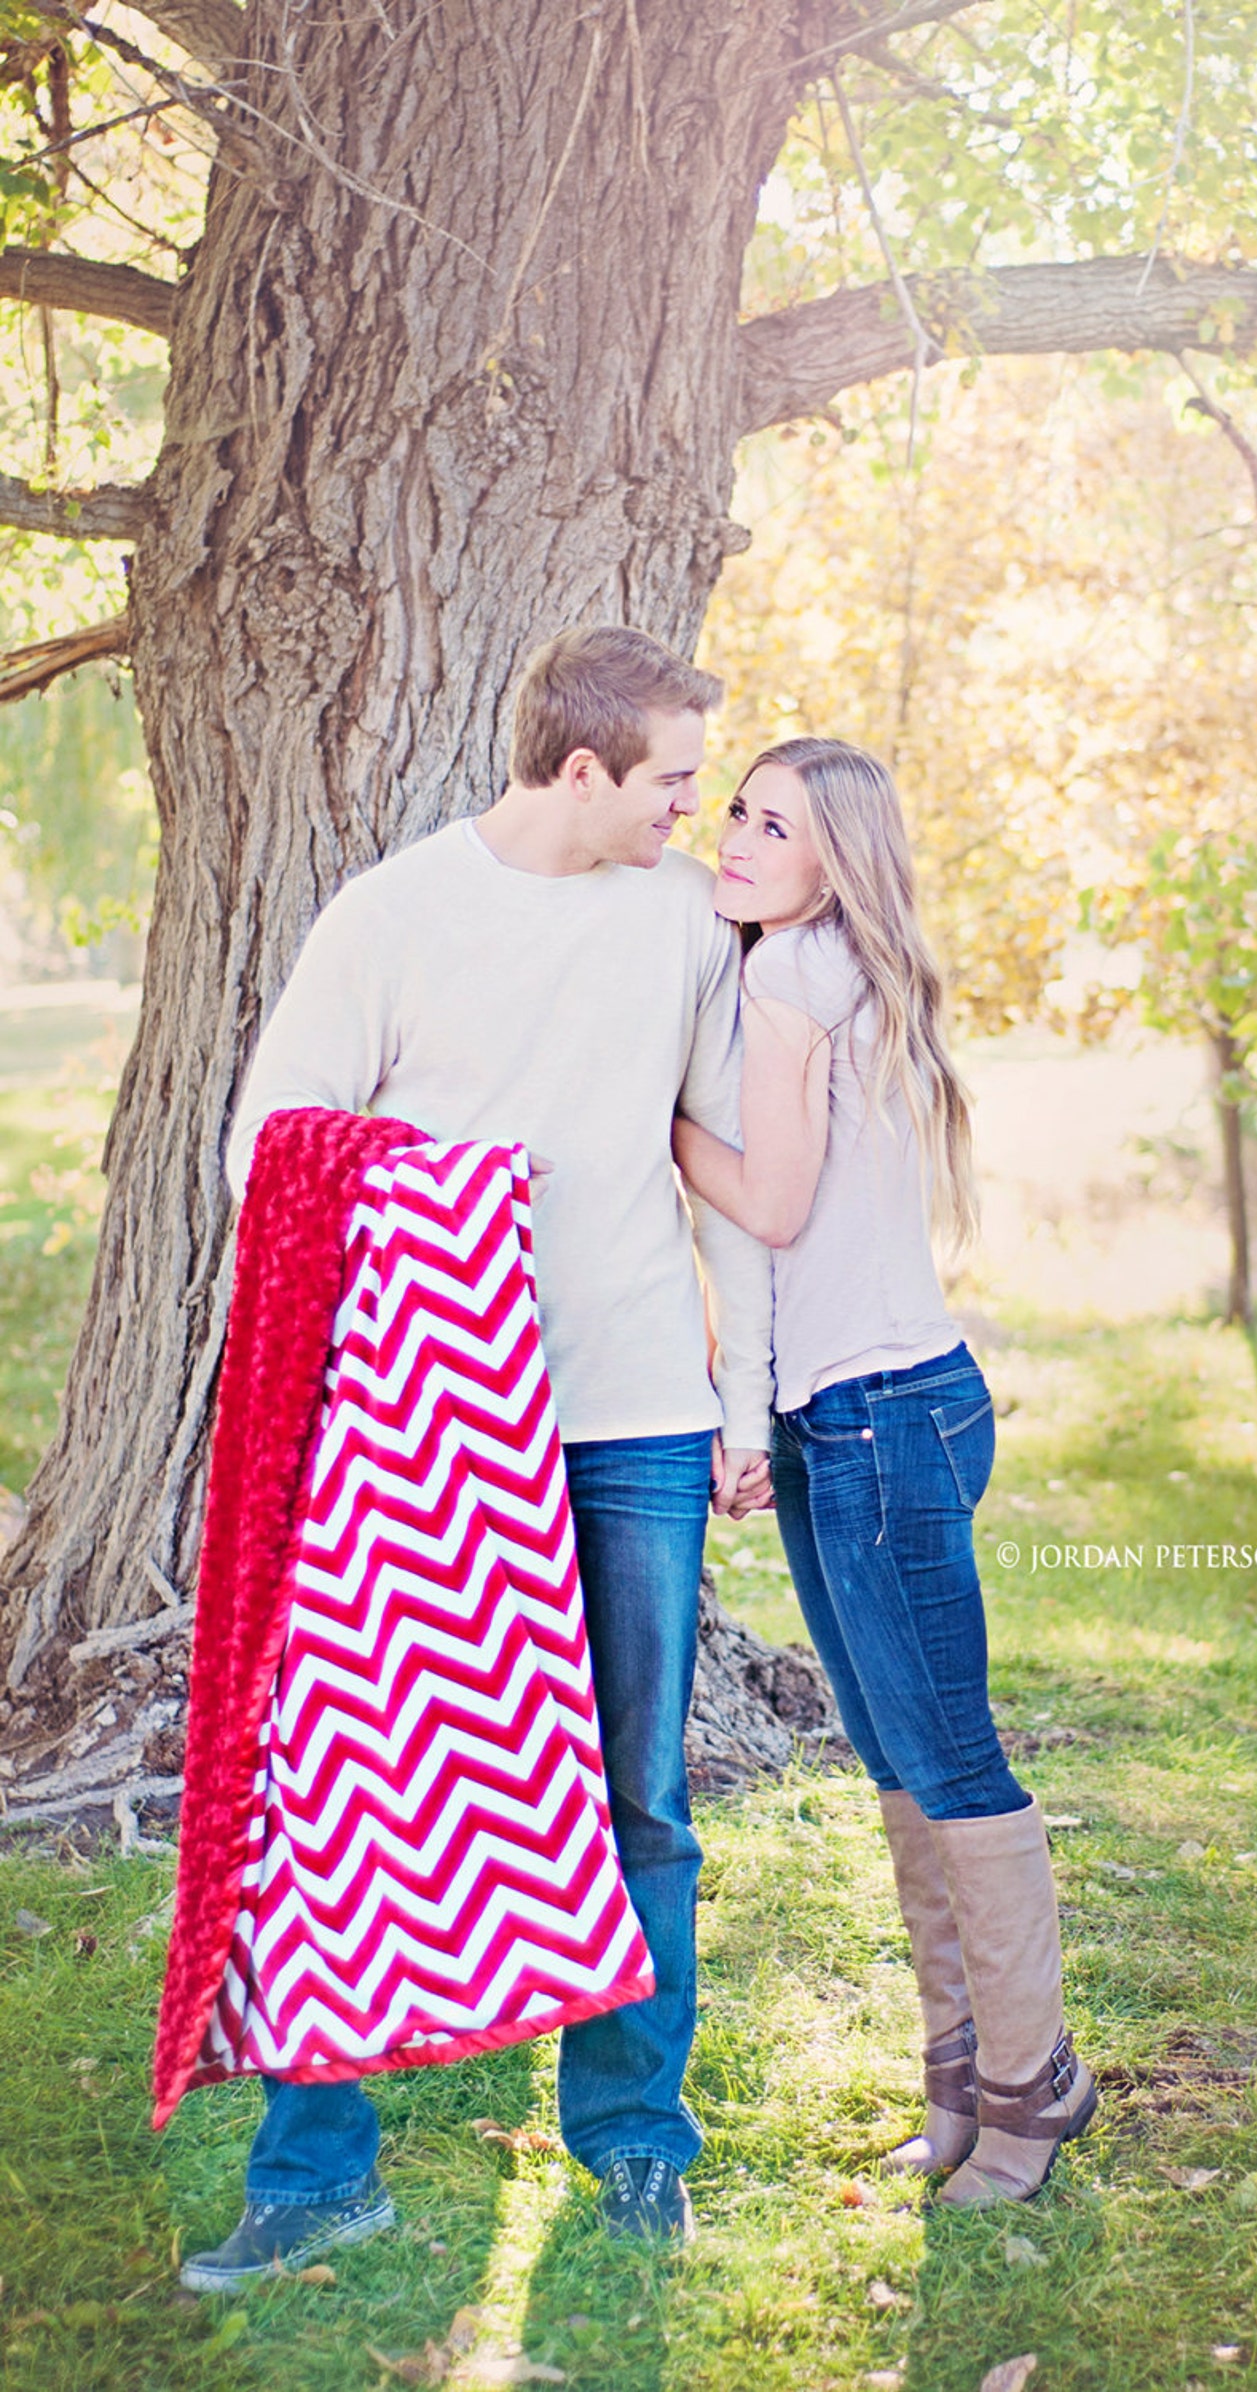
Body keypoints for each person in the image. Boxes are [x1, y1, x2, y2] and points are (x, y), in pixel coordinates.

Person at [180, 627, 773, 2289]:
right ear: (581, 772)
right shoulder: (396, 914)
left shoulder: (677, 922)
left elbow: (717, 1158)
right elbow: (270, 1141)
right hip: (430, 1430)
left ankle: (638, 2147)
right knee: (358, 1790)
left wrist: (745, 1403)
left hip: (635, 1412)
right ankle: (315, 2176)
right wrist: (446, 1199)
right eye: (669, 779)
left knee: (640, 1795)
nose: (691, 811)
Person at [671, 737, 1097, 2208]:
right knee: (903, 1762)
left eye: (772, 825)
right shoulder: (825, 963)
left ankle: (1034, 2090)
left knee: (948, 1759)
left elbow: (770, 1207)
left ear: (831, 859)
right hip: (851, 1414)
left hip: (881, 1421)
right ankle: (962, 2086)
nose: (735, 836)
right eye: (736, 808)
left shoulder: (794, 975)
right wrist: (751, 1418)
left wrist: (647, 1121)